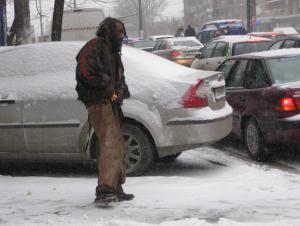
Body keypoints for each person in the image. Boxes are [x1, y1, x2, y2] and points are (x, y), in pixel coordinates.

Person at [75, 17, 133, 205]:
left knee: (117, 144)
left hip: (111, 102)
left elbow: (120, 78)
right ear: (108, 31)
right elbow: (85, 70)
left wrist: (120, 91)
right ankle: (105, 190)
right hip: (98, 101)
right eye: (118, 31)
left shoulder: (114, 52)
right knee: (109, 143)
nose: (122, 35)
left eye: (123, 32)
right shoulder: (96, 45)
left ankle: (114, 186)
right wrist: (108, 87)